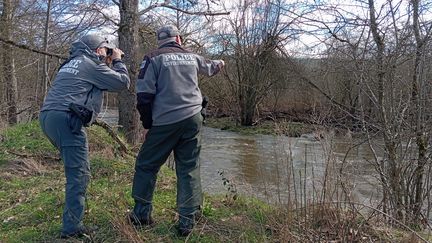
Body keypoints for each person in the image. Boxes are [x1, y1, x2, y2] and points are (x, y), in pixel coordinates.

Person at [130, 24, 224, 236]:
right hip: (193, 118)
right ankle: (186, 223)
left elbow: (144, 97)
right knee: (188, 168)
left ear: (159, 41)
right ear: (179, 39)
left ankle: (141, 214)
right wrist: (221, 62)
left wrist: (148, 125)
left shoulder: (152, 58)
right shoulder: (192, 56)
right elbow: (212, 67)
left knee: (146, 165)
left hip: (164, 122)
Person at [39, 34, 130, 238]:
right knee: (79, 174)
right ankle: (71, 228)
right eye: (105, 51)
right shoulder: (91, 65)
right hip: (66, 119)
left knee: (75, 168)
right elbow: (122, 82)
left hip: (48, 117)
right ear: (98, 50)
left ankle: (72, 218)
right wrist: (117, 60)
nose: (107, 55)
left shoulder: (70, 63)